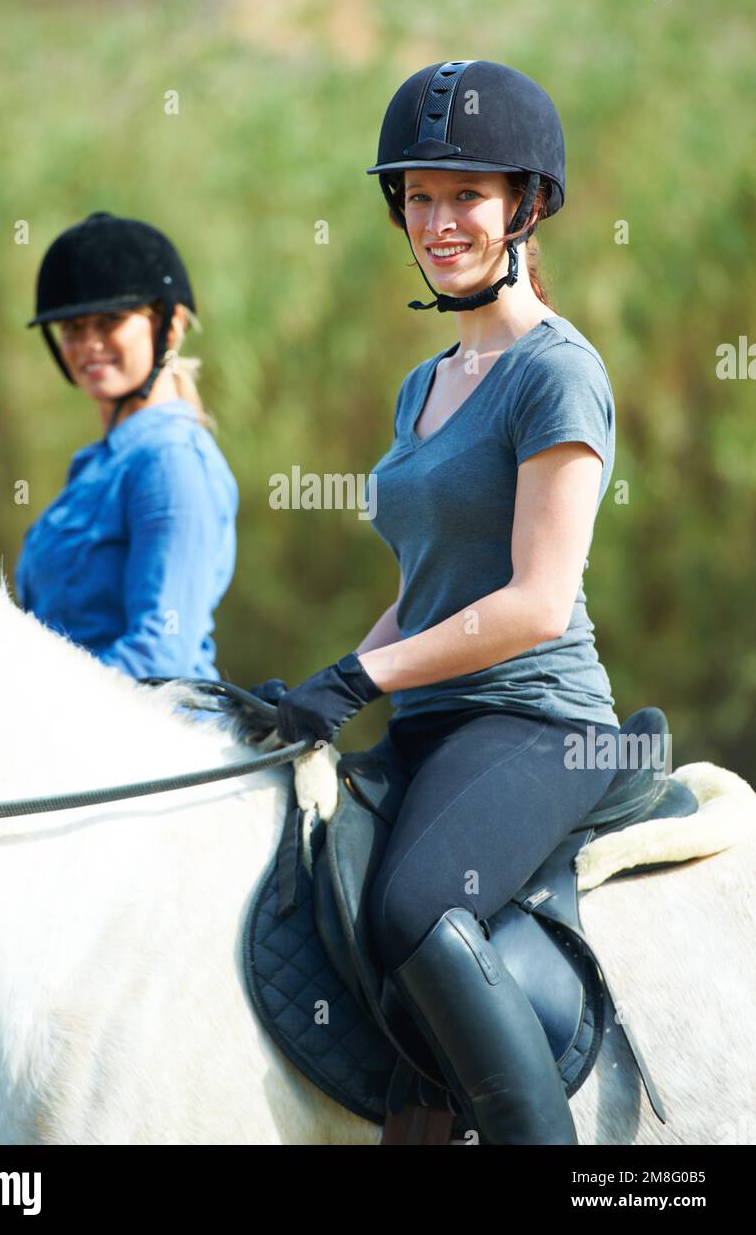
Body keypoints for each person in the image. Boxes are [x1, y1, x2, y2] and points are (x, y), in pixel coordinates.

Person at [253, 60, 626, 1145]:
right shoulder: (424, 383)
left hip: (535, 720)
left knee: (415, 906)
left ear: (524, 204)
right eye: (416, 195)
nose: (436, 219)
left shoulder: (557, 373)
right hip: (429, 720)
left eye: (463, 194)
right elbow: (423, 594)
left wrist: (362, 677)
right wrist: (320, 688)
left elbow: (532, 604)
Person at [16, 212, 238, 681]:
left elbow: (162, 656)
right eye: (72, 328)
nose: (87, 344)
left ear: (170, 326)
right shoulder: (99, 465)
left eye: (110, 321)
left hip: (149, 738)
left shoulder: (171, 462)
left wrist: (33, 712)